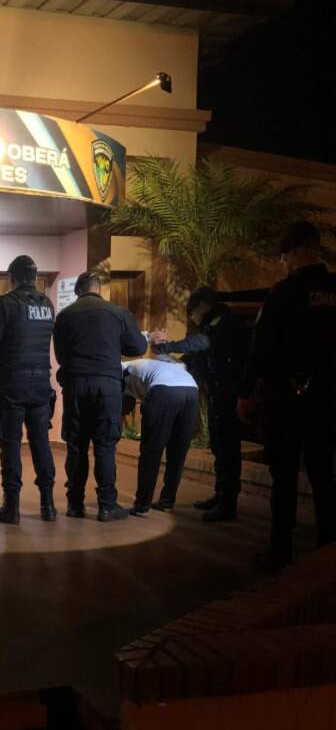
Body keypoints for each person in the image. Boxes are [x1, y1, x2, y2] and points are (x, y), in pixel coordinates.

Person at [238, 221, 336, 570]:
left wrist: (246, 394)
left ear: (296, 251)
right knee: (324, 473)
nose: (283, 263)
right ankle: (327, 546)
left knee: (284, 476)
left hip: (288, 398)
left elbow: (261, 347)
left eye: (284, 256)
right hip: (327, 399)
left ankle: (281, 550)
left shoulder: (283, 293)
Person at [150, 287, 250, 522]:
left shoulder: (223, 323)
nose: (192, 318)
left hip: (229, 394)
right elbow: (196, 355)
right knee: (219, 447)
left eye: (192, 312)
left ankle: (228, 503)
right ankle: (220, 495)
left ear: (203, 306)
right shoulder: (215, 324)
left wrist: (168, 347)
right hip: (218, 394)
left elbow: (199, 343)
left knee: (227, 449)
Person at [53, 270, 146, 521]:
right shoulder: (117, 313)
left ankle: (75, 504)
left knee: (76, 446)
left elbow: (61, 356)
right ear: (99, 289)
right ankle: (107, 506)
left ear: (78, 291)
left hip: (75, 385)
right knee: (105, 445)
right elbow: (139, 346)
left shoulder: (65, 316)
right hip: (107, 386)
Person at [0, 254, 56, 525]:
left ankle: (11, 508)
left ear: (11, 278)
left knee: (10, 445)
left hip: (13, 383)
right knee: (41, 443)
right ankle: (48, 505)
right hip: (41, 384)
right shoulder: (47, 304)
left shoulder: (5, 304)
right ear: (34, 277)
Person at [122, 357, 199, 515]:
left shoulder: (121, 368)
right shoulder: (148, 366)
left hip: (164, 390)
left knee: (151, 451)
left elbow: (122, 402)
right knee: (177, 452)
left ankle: (142, 505)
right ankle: (167, 501)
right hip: (191, 390)